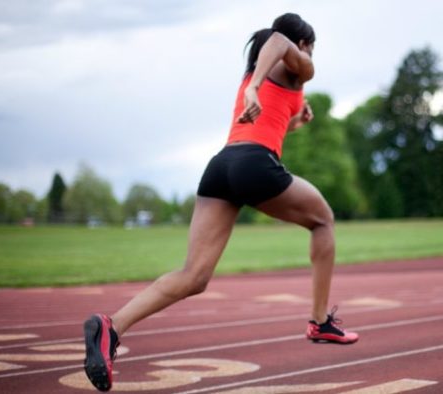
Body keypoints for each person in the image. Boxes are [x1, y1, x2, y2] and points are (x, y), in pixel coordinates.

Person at [82, 13, 359, 392]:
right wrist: (256, 87)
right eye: (308, 47)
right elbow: (278, 40)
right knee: (323, 220)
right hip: (254, 163)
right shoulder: (296, 63)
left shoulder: (258, 77)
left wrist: (295, 118)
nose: (308, 54)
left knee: (194, 276)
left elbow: (274, 121)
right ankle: (320, 321)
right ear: (305, 43)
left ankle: (111, 326)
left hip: (222, 166)